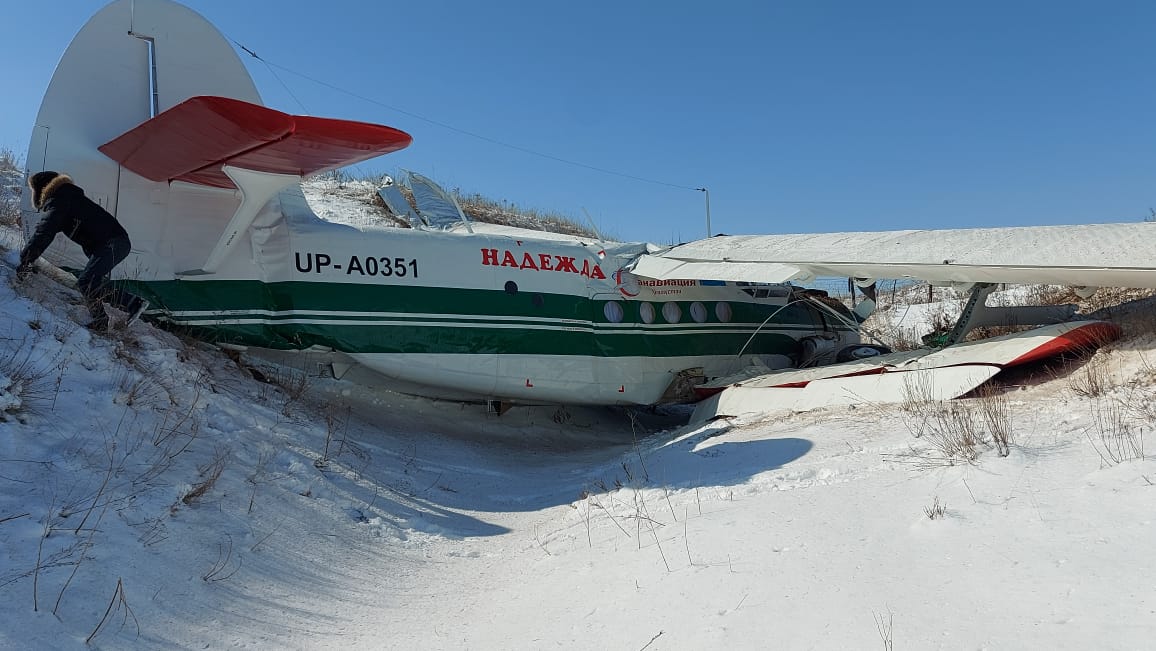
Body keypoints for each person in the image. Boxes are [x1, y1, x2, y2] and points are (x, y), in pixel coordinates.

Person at [17, 171, 148, 330]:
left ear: (41, 189)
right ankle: (102, 320)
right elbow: (48, 228)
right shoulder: (67, 198)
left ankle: (132, 304)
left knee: (87, 281)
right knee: (91, 282)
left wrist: (26, 260)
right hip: (113, 243)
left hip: (113, 243)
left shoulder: (60, 200)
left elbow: (45, 232)